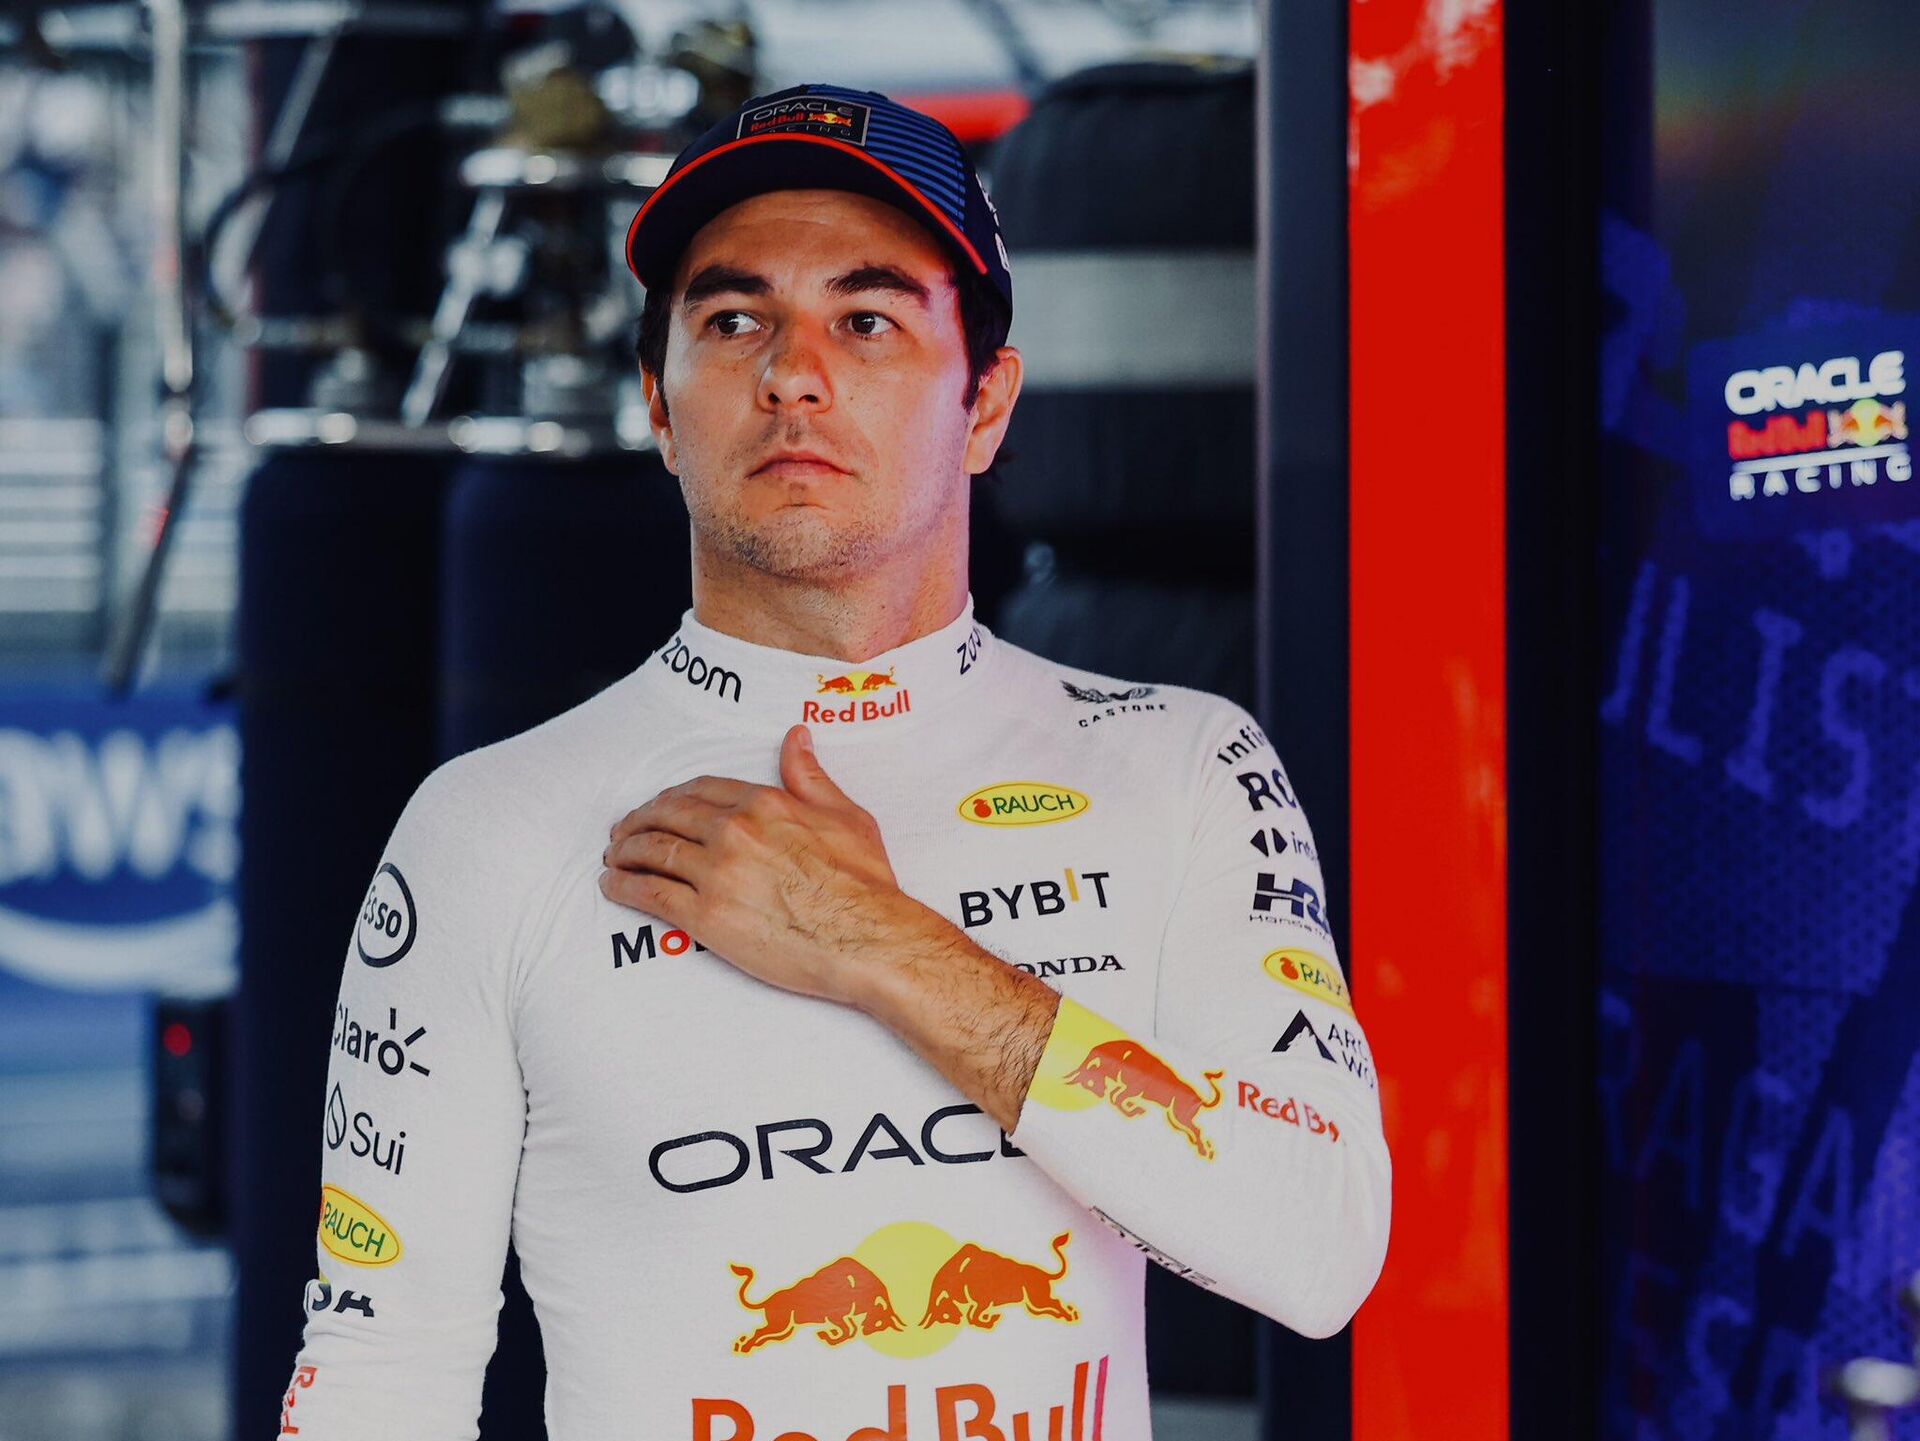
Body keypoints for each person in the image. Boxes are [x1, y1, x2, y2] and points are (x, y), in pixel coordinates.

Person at [280, 82, 1389, 1441]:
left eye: (866, 321)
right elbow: (380, 1375)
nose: (790, 373)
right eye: (732, 320)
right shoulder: (491, 827)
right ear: (660, 407)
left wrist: (878, 942)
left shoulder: (1184, 764)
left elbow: (1319, 1250)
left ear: (987, 405)